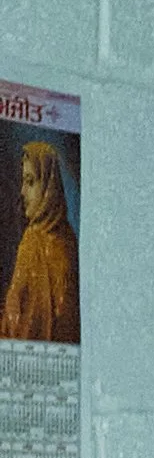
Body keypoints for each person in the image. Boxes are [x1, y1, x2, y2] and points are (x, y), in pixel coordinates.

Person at [1, 135, 79, 342]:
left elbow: (15, 326)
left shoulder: (36, 241)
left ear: (49, 186)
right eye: (23, 182)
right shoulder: (67, 240)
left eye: (30, 182)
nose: (22, 192)